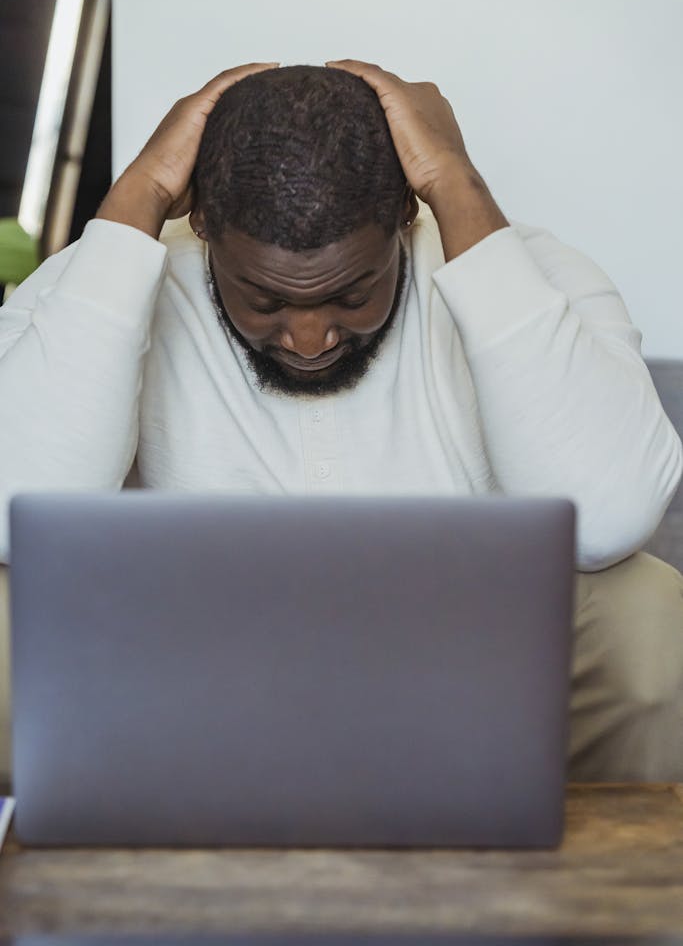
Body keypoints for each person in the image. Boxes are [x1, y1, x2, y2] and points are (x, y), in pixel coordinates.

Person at [0, 60, 682, 783]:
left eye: (352, 294)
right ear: (200, 224)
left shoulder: (532, 271)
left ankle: (615, 881)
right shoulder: (102, 276)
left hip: (463, 670)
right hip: (182, 670)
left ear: (403, 218)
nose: (309, 339)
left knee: (645, 609)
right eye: (264, 300)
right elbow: (15, 518)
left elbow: (609, 520)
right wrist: (137, 196)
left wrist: (458, 187)